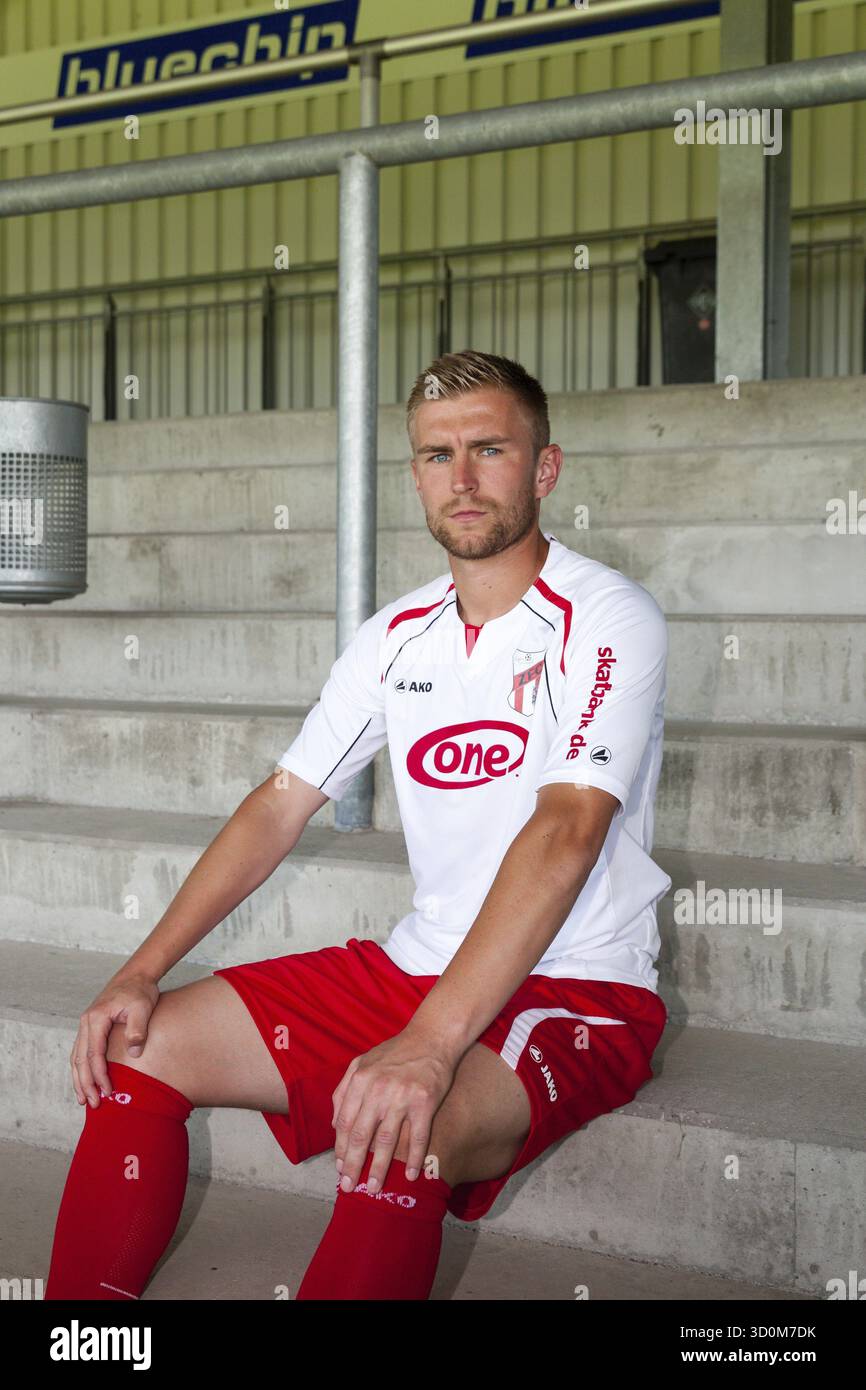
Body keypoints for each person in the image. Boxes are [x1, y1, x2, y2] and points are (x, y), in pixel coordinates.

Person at [44, 349, 671, 1302]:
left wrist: (429, 1046)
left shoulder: (608, 616)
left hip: (576, 988)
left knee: (396, 1137)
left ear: (544, 469)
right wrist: (142, 968)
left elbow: (568, 831)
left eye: (489, 449)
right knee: (137, 1052)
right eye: (434, 455)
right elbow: (279, 804)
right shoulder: (396, 635)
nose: (460, 480)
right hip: (420, 965)